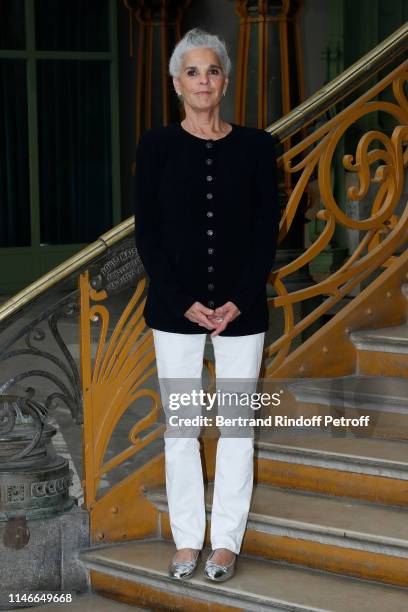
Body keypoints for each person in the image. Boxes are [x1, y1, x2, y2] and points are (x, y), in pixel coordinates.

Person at [134, 27, 279, 582]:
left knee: (238, 427)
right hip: (175, 313)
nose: (203, 80)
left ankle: (226, 543)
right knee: (183, 428)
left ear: (225, 81)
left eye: (211, 70)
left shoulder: (258, 147)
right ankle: (187, 540)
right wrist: (183, 300)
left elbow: (266, 230)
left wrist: (240, 299)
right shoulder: (156, 147)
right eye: (192, 72)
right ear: (177, 83)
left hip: (243, 313)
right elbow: (148, 236)